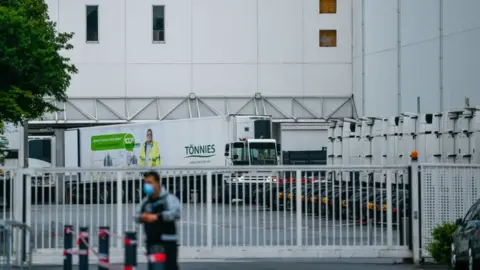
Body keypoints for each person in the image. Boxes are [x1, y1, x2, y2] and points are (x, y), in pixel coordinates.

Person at [135, 171, 181, 270]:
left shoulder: (168, 199)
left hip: (167, 243)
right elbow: (136, 216)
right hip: (152, 243)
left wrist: (158, 217)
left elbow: (176, 213)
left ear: (157, 183)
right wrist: (142, 217)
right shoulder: (146, 201)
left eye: (150, 182)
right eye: (145, 183)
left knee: (169, 267)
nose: (147, 185)